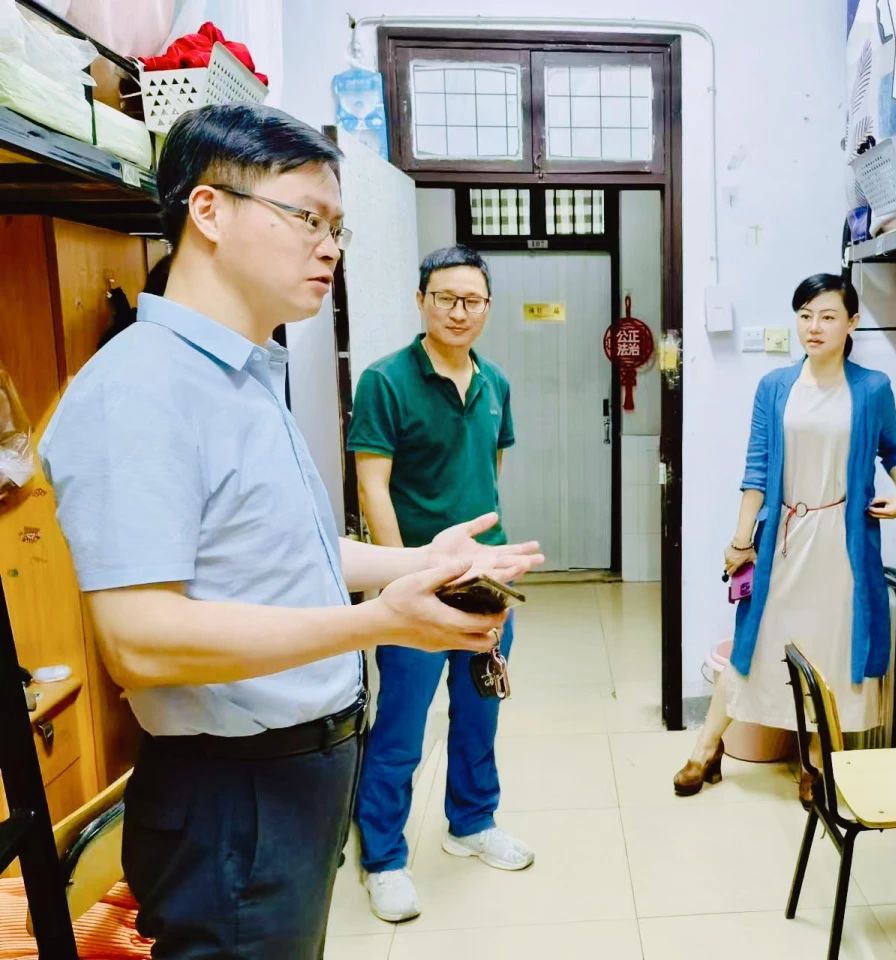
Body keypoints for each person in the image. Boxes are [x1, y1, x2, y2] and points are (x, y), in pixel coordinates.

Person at [38, 104, 543, 959]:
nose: (329, 247)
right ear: (208, 211)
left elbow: (299, 553)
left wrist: (420, 560)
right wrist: (379, 621)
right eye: (307, 216)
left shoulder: (240, 378)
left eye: (337, 227)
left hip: (295, 774)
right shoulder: (141, 388)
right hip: (234, 793)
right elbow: (141, 641)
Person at [673, 273, 896, 803]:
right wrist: (741, 541)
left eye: (828, 316)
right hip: (783, 539)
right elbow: (756, 471)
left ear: (852, 323)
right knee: (754, 643)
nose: (814, 326)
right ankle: (706, 747)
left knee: (830, 649)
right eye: (805, 315)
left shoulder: (872, 388)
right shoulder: (775, 387)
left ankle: (814, 761)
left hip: (843, 542)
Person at [348, 244, 531, 922]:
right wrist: (405, 576)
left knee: (480, 711)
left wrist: (484, 560)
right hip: (417, 585)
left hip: (485, 584)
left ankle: (472, 822)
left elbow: (489, 473)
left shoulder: (495, 383)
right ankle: (383, 858)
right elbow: (372, 486)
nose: (459, 311)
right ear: (421, 300)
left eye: (472, 300)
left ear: (488, 307)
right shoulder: (385, 381)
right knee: (401, 727)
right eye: (446, 298)